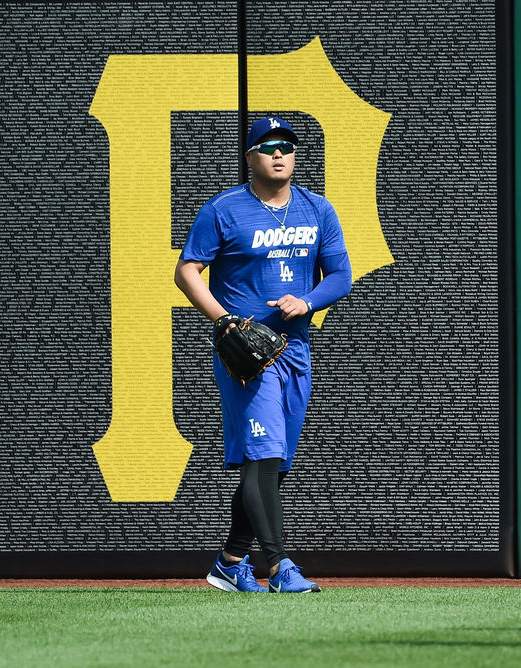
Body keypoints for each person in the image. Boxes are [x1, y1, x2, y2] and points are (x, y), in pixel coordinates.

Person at [174, 116, 352, 593]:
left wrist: (307, 301)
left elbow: (340, 275)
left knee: (273, 465)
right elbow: (187, 271)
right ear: (250, 157)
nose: (279, 153)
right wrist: (223, 319)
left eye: (287, 146)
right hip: (248, 354)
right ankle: (277, 567)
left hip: (295, 349)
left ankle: (230, 561)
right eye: (268, 145)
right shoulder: (224, 209)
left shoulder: (317, 209)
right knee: (265, 454)